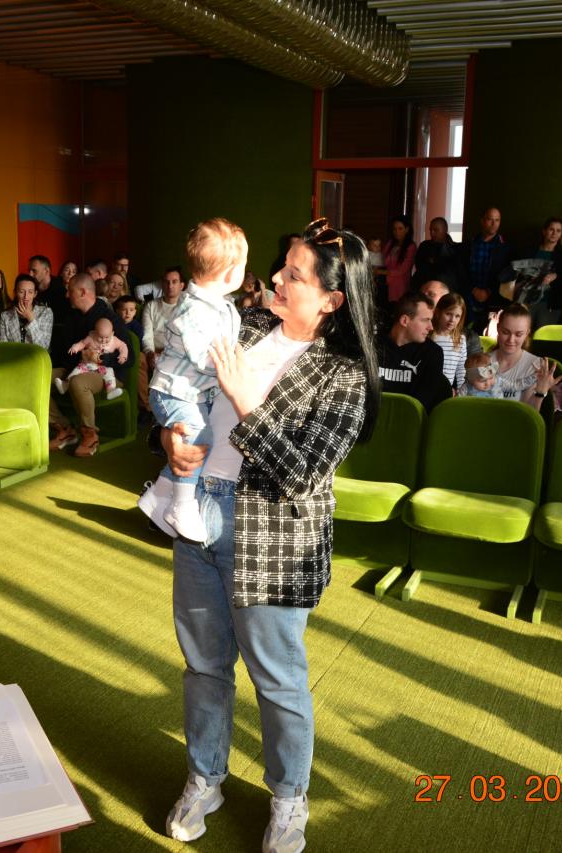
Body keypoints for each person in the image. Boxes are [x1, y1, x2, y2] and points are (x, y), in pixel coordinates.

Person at [156, 217, 380, 853]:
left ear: (331, 300)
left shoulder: (343, 376)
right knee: (204, 666)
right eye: (283, 265)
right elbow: (178, 383)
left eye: (294, 275)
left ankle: (288, 798)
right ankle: (205, 777)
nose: (277, 278)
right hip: (200, 515)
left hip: (276, 538)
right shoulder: (242, 323)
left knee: (277, 679)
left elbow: (303, 476)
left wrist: (246, 401)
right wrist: (169, 439)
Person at [138, 218, 245, 542]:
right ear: (230, 273)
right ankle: (182, 506)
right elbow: (204, 357)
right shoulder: (195, 310)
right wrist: (233, 364)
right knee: (198, 435)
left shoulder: (221, 305)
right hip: (174, 392)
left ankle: (160, 493)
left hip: (190, 391)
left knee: (200, 436)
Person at [48, 273, 136, 457]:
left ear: (82, 292)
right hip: (75, 368)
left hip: (107, 374)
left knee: (78, 382)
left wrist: (100, 358)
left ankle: (90, 434)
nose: (66, 295)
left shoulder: (110, 318)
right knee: (38, 379)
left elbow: (130, 358)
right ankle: (64, 429)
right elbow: (64, 352)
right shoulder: (70, 316)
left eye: (69, 291)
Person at [378, 292, 448, 411]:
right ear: (405, 320)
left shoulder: (432, 353)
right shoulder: (371, 346)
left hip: (409, 419)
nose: (431, 327)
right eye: (425, 320)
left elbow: (421, 407)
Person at [491, 303, 557, 408]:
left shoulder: (536, 366)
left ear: (527, 334)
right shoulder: (481, 361)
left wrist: (540, 393)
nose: (511, 340)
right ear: (498, 328)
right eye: (506, 332)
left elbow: (529, 414)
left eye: (518, 334)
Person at [515, 217, 562, 329]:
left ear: (561, 234)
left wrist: (555, 277)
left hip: (549, 306)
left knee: (542, 336)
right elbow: (516, 273)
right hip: (526, 302)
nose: (554, 233)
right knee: (522, 333)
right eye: (551, 229)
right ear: (544, 231)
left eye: (558, 231)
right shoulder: (529, 251)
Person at [140, 267, 186, 411]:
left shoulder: (187, 307)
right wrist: (150, 352)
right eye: (166, 282)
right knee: (140, 360)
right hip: (154, 349)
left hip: (178, 351)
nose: (170, 286)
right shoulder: (151, 306)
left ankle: (174, 406)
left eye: (174, 282)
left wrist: (171, 352)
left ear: (182, 285)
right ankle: (147, 407)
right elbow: (147, 334)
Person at [465, 207, 512, 331]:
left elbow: (507, 274)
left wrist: (489, 291)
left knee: (489, 333)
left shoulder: (505, 247)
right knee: (467, 333)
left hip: (493, 298)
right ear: (482, 220)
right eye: (490, 219)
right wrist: (473, 289)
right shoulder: (471, 243)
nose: (493, 223)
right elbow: (462, 270)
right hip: (469, 296)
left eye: (497, 220)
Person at [0, 274, 54, 349]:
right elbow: (2, 347)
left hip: (36, 356)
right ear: (15, 292)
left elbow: (44, 346)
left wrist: (31, 318)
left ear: (35, 294)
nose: (26, 296)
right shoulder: (5, 315)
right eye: (21, 292)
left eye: (30, 292)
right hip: (13, 355)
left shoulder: (46, 313)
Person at [412, 217, 463, 292]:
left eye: (436, 230)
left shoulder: (455, 248)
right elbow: (420, 266)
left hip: (447, 289)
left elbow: (452, 271)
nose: (432, 233)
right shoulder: (425, 245)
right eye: (430, 230)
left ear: (445, 230)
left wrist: (434, 262)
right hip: (424, 288)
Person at [432, 292, 468, 393]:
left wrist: (461, 392)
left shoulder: (460, 340)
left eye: (457, 316)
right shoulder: (428, 337)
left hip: (448, 391)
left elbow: (461, 369)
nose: (452, 320)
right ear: (438, 312)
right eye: (448, 314)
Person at [382, 214, 416, 305]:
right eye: (394, 229)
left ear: (407, 229)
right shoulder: (390, 243)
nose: (397, 232)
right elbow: (383, 260)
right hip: (386, 283)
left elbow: (402, 270)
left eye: (400, 229)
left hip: (400, 286)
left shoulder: (411, 246)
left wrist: (382, 272)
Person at [29, 255, 70, 321]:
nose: (30, 274)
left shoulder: (60, 290)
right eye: (29, 270)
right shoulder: (29, 288)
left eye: (34, 271)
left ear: (46, 271)